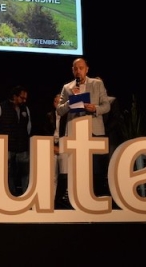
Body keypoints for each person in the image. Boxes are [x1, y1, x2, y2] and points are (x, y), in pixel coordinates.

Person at [57, 57, 110, 196]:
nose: (78, 71)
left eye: (81, 68)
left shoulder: (97, 84)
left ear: (87, 69)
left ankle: (96, 196)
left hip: (94, 130)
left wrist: (95, 108)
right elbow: (59, 110)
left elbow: (106, 105)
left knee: (96, 167)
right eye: (76, 68)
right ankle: (78, 197)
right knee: (77, 167)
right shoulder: (67, 87)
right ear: (72, 70)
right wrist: (70, 102)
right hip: (74, 132)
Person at [0, 85, 31, 196]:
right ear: (14, 96)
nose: (24, 100)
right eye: (22, 98)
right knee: (8, 173)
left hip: (22, 147)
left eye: (25, 98)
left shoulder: (25, 109)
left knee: (25, 173)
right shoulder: (0, 107)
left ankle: (25, 195)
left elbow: (28, 127)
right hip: (6, 147)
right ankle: (10, 195)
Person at [42, 93, 70, 208]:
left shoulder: (68, 117)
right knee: (52, 176)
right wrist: (52, 146)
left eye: (61, 103)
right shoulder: (48, 116)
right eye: (56, 102)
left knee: (65, 174)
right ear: (54, 104)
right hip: (51, 147)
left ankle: (62, 199)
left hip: (64, 147)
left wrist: (62, 147)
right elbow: (44, 132)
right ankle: (50, 201)